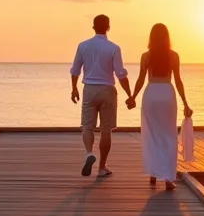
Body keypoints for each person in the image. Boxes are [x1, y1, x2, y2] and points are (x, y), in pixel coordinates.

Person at [126, 23, 192, 191]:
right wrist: (185, 102)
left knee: (153, 136)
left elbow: (141, 79)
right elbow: (178, 81)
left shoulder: (146, 56)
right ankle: (169, 178)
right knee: (169, 136)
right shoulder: (174, 56)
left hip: (151, 95)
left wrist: (133, 97)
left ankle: (154, 174)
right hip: (167, 95)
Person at [70, 14, 132, 177]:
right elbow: (120, 74)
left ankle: (89, 153)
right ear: (108, 28)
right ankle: (102, 167)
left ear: (93, 27)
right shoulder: (113, 48)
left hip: (89, 89)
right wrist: (130, 95)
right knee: (106, 129)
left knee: (87, 126)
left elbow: (75, 70)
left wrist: (74, 88)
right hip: (107, 90)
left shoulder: (83, 46)